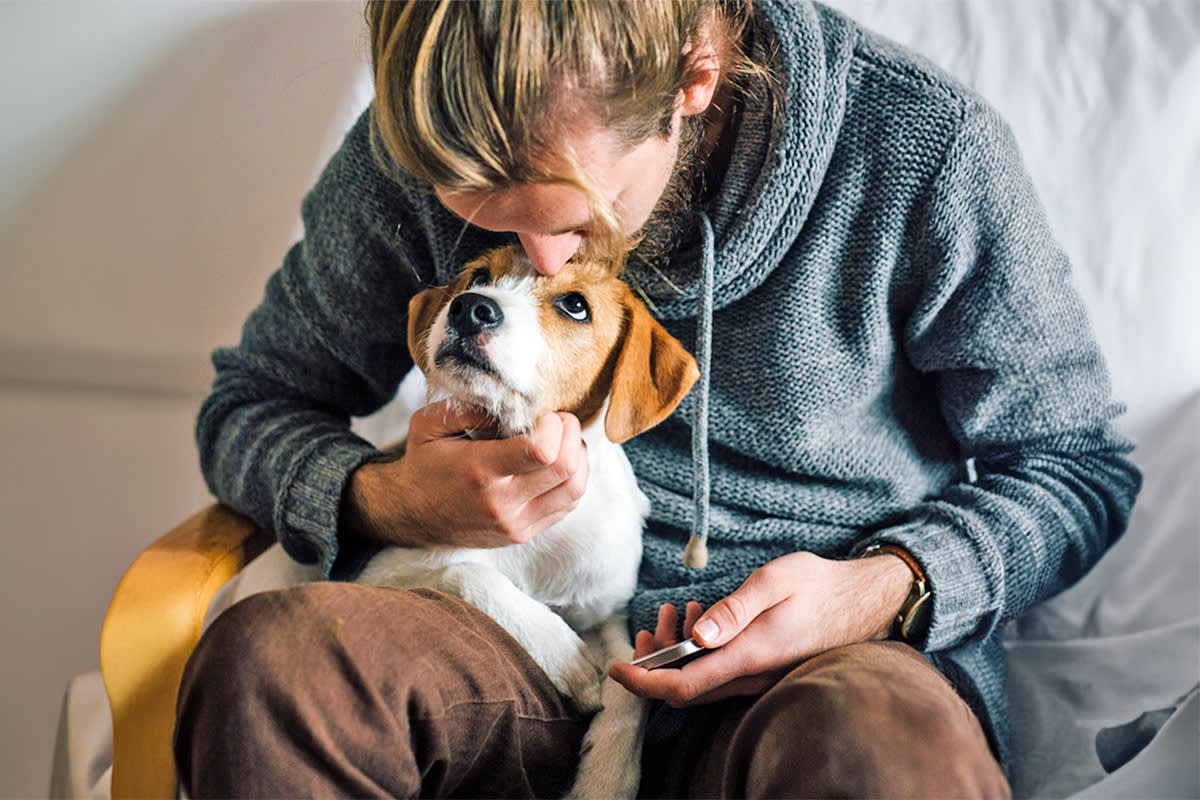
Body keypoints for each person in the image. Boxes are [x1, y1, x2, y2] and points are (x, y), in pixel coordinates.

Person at [175, 0, 1141, 797]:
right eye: (483, 222)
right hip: (511, 641)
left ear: (697, 74)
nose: (539, 261)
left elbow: (1073, 469)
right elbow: (254, 401)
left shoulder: (920, 152)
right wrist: (388, 499)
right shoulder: (429, 145)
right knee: (278, 668)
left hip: (813, 675)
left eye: (560, 216)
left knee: (881, 753)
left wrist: (879, 590)